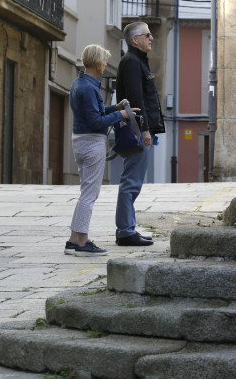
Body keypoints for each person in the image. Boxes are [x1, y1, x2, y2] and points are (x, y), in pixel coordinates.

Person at [66, 44, 137, 256]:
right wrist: (121, 116)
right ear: (97, 62)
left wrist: (114, 108)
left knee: (86, 192)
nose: (106, 64)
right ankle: (82, 242)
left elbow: (94, 113)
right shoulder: (89, 88)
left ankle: (73, 241)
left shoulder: (80, 84)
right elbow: (96, 121)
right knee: (89, 194)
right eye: (105, 60)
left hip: (81, 140)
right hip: (91, 142)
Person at [114, 22, 165, 247]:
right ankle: (125, 231)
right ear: (135, 40)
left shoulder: (137, 62)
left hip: (138, 128)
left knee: (133, 181)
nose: (151, 38)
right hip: (136, 130)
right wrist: (144, 129)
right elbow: (136, 99)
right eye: (147, 35)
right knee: (131, 182)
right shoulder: (132, 63)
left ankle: (128, 228)